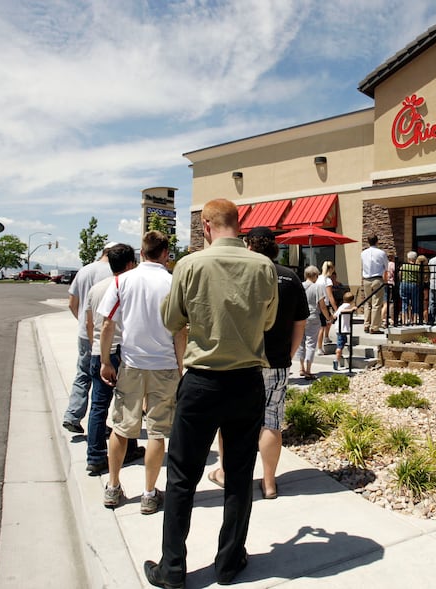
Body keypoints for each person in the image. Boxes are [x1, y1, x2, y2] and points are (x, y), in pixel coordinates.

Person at [144, 199, 277, 588]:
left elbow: (171, 319)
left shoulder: (189, 265)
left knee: (183, 476)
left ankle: (172, 570)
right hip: (246, 380)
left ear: (205, 225)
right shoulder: (263, 266)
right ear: (239, 224)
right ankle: (229, 561)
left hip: (202, 380)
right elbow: (267, 320)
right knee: (239, 475)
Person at [207, 226, 307, 500]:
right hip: (276, 361)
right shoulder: (290, 277)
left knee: (231, 421)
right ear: (275, 248)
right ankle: (270, 482)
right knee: (271, 421)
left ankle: (226, 473)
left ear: (249, 246)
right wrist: (290, 353)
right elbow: (300, 322)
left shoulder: (241, 273)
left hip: (240, 361)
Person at [98, 231, 185, 515]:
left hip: (132, 364)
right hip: (164, 365)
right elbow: (180, 330)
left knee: (122, 427)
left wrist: (105, 360)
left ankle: (113, 486)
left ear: (142, 252)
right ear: (165, 253)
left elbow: (108, 324)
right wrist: (181, 364)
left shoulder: (123, 281)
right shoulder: (173, 283)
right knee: (157, 432)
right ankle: (149, 492)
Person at [84, 243, 142, 475]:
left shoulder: (96, 288)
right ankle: (127, 450)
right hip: (120, 351)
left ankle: (95, 456)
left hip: (98, 351)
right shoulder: (128, 287)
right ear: (129, 264)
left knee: (98, 406)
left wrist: (96, 348)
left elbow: (90, 323)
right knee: (128, 405)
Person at [62, 242, 118, 433]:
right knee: (102, 380)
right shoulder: (113, 273)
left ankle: (73, 415)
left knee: (82, 373)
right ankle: (98, 423)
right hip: (104, 333)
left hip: (84, 333)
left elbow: (72, 303)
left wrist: (83, 322)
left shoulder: (84, 270)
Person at [297, 265, 326, 379]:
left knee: (300, 343)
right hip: (313, 316)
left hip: (300, 317)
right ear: (315, 275)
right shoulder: (317, 287)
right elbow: (322, 305)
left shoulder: (299, 286)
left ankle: (301, 368)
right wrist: (328, 317)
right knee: (310, 343)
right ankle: (308, 370)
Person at [360, 235, 388, 333]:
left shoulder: (363, 253)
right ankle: (374, 327)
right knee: (376, 303)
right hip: (377, 278)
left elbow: (363, 266)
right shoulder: (381, 253)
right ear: (377, 241)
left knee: (368, 302)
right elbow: (386, 267)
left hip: (366, 279)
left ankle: (366, 324)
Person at [315, 260, 338, 354]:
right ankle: (319, 348)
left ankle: (326, 337)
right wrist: (336, 308)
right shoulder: (327, 280)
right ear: (331, 269)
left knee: (328, 321)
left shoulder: (318, 278)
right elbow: (330, 296)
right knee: (322, 326)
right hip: (324, 304)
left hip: (316, 304)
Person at [333, 291, 356, 371]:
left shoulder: (341, 305)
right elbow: (342, 312)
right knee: (340, 344)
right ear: (352, 300)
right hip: (342, 328)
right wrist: (351, 310)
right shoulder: (347, 306)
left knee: (343, 341)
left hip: (339, 327)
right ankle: (336, 359)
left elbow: (335, 315)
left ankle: (339, 355)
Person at [398, 251, 419, 326]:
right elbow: (419, 278)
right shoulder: (417, 267)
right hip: (414, 284)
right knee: (415, 303)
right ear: (415, 258)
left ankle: (404, 320)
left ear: (408, 258)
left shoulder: (403, 266)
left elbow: (400, 274)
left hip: (404, 284)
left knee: (404, 302)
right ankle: (414, 320)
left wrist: (401, 280)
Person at [381, 253, 396, 327]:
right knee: (391, 303)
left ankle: (383, 319)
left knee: (385, 303)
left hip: (385, 284)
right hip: (391, 285)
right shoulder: (393, 265)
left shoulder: (385, 265)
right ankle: (392, 319)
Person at [416, 254, 430, 324]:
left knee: (416, 303)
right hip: (425, 286)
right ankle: (426, 319)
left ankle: (416, 319)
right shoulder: (428, 269)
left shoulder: (415, 269)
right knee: (425, 304)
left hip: (417, 286)